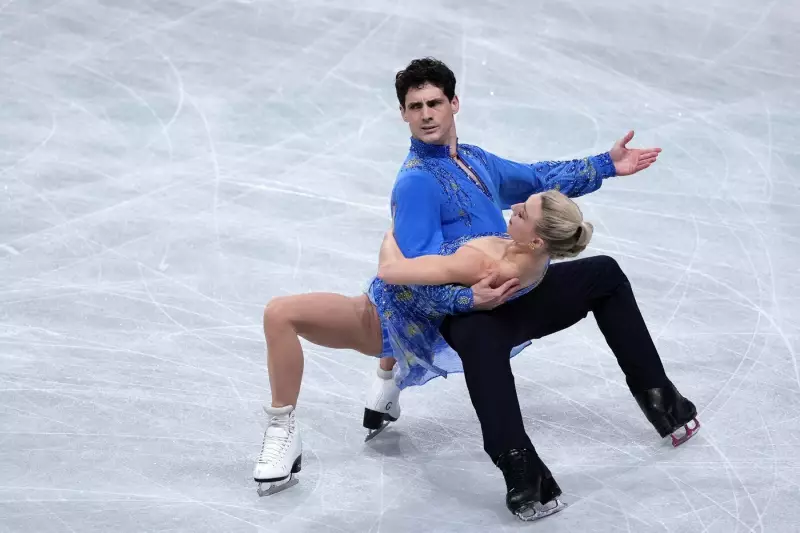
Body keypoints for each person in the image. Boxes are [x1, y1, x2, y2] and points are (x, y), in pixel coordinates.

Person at [357, 57, 699, 521]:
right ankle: (520, 467)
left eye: (434, 102)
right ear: (403, 114)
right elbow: (418, 274)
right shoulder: (417, 183)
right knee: (480, 339)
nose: (426, 114)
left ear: (454, 103)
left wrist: (606, 165)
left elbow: (534, 180)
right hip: (468, 311)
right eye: (415, 106)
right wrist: (468, 299)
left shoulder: (473, 159)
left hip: (517, 291)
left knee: (605, 275)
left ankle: (659, 397)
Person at [253, 189, 595, 508]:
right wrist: (604, 164)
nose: (516, 207)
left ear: (537, 239)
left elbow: (391, 271)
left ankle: (282, 431)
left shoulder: (485, 265)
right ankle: (385, 387)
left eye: (523, 213)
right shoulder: (536, 252)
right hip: (415, 313)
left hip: (387, 319)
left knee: (280, 314)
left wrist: (394, 229)